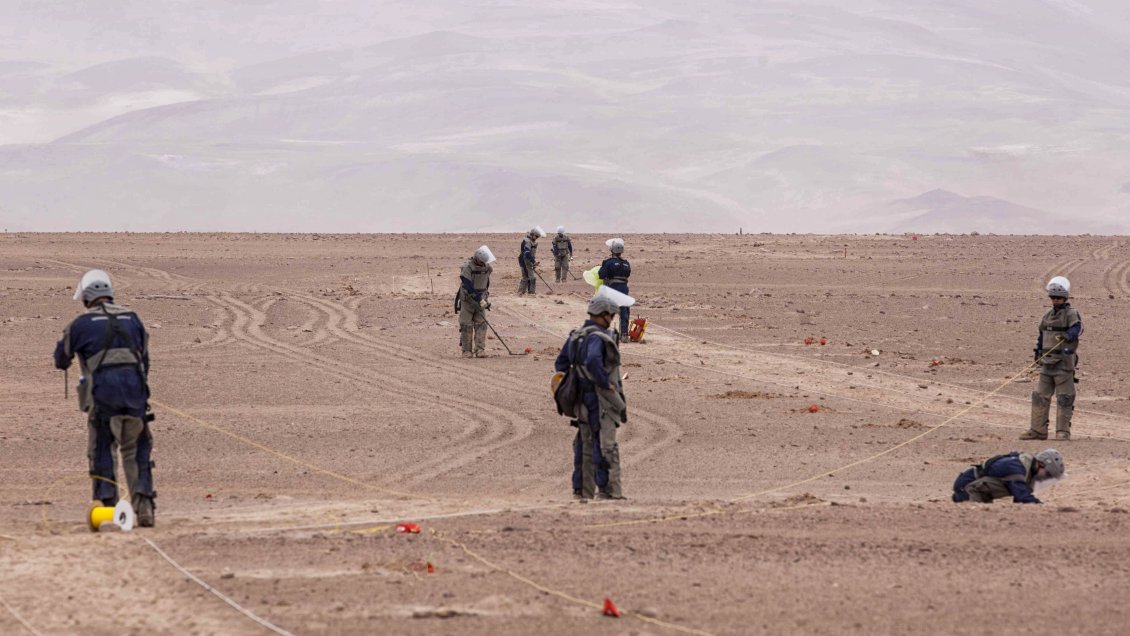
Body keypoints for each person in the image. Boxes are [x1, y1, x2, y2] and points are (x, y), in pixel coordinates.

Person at [54, 270, 156, 527]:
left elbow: (60, 359)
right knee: (137, 451)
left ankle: (108, 508)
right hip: (136, 396)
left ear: (87, 297)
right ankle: (144, 508)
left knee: (102, 450)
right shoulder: (133, 319)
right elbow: (144, 359)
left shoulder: (80, 325)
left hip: (103, 399)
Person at [553, 295, 627, 500]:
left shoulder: (576, 336)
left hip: (580, 399)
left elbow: (560, 365)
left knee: (583, 443)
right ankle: (607, 490)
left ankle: (581, 491)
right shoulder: (598, 338)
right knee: (602, 442)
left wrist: (577, 378)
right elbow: (594, 360)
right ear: (603, 315)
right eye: (610, 316)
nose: (611, 319)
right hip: (598, 399)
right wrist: (605, 383)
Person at [1022, 276, 1083, 441]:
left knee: (1065, 397)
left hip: (1063, 364)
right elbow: (1041, 335)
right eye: (1053, 298)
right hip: (1047, 364)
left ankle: (1062, 432)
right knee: (1040, 396)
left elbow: (1077, 328)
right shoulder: (1047, 315)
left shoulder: (1071, 314)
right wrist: (1038, 352)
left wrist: (1068, 336)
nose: (1055, 301)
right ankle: (1037, 430)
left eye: (1058, 298)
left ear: (1065, 298)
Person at [952, 449, 1064, 504]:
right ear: (1041, 464)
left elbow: (1019, 502)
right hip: (966, 488)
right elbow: (1021, 495)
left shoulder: (1028, 471)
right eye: (1048, 474)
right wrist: (1042, 507)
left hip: (981, 493)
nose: (1046, 478)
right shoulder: (1015, 467)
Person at [458, 246, 495, 358]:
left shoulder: (487, 267)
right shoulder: (467, 267)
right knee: (466, 325)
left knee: (481, 324)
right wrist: (478, 298)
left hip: (481, 299)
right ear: (477, 258)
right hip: (468, 300)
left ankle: (480, 350)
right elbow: (467, 285)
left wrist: (484, 297)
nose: (483, 263)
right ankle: (466, 351)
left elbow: (486, 283)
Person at [598, 238, 632, 341]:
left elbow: (601, 275)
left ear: (612, 250)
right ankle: (624, 335)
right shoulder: (626, 263)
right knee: (624, 312)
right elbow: (628, 274)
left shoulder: (608, 263)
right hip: (624, 289)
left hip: (612, 290)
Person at [517, 226, 545, 295]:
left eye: (537, 237)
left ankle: (524, 292)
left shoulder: (531, 241)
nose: (536, 238)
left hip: (527, 261)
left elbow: (530, 254)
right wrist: (533, 262)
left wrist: (532, 262)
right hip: (524, 261)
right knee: (529, 277)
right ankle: (529, 292)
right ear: (532, 234)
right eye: (536, 236)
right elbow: (527, 253)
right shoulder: (527, 241)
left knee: (527, 277)